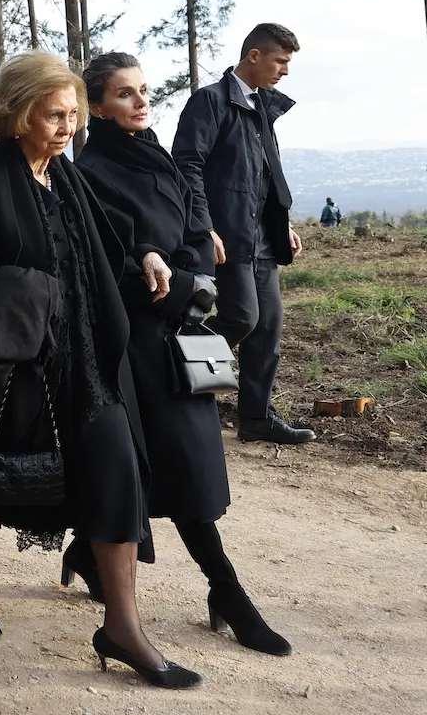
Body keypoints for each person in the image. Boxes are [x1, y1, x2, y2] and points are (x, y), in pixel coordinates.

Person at [0, 52, 200, 688]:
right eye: (55, 115)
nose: (68, 127)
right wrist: (7, 294)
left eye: (74, 114)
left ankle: (122, 627)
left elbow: (101, 257)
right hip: (19, 371)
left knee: (116, 472)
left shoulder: (70, 181)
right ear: (20, 116)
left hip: (88, 363)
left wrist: (148, 261)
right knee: (1, 485)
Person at [75, 52, 291, 656]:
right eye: (124, 94)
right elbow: (104, 255)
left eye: (143, 91)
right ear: (96, 106)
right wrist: (147, 259)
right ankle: (229, 592)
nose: (141, 102)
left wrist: (189, 268)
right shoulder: (90, 171)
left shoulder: (161, 157)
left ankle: (84, 551)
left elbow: (200, 229)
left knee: (186, 465)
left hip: (185, 333)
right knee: (177, 467)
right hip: (137, 341)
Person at [172, 23, 314, 446]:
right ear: (254, 55)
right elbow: (187, 167)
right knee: (242, 318)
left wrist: (281, 221)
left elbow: (265, 174)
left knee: (268, 326)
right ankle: (175, 368)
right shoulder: (210, 102)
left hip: (262, 237)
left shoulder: (261, 107)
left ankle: (255, 417)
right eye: (280, 61)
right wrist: (204, 226)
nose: (285, 71)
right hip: (226, 235)